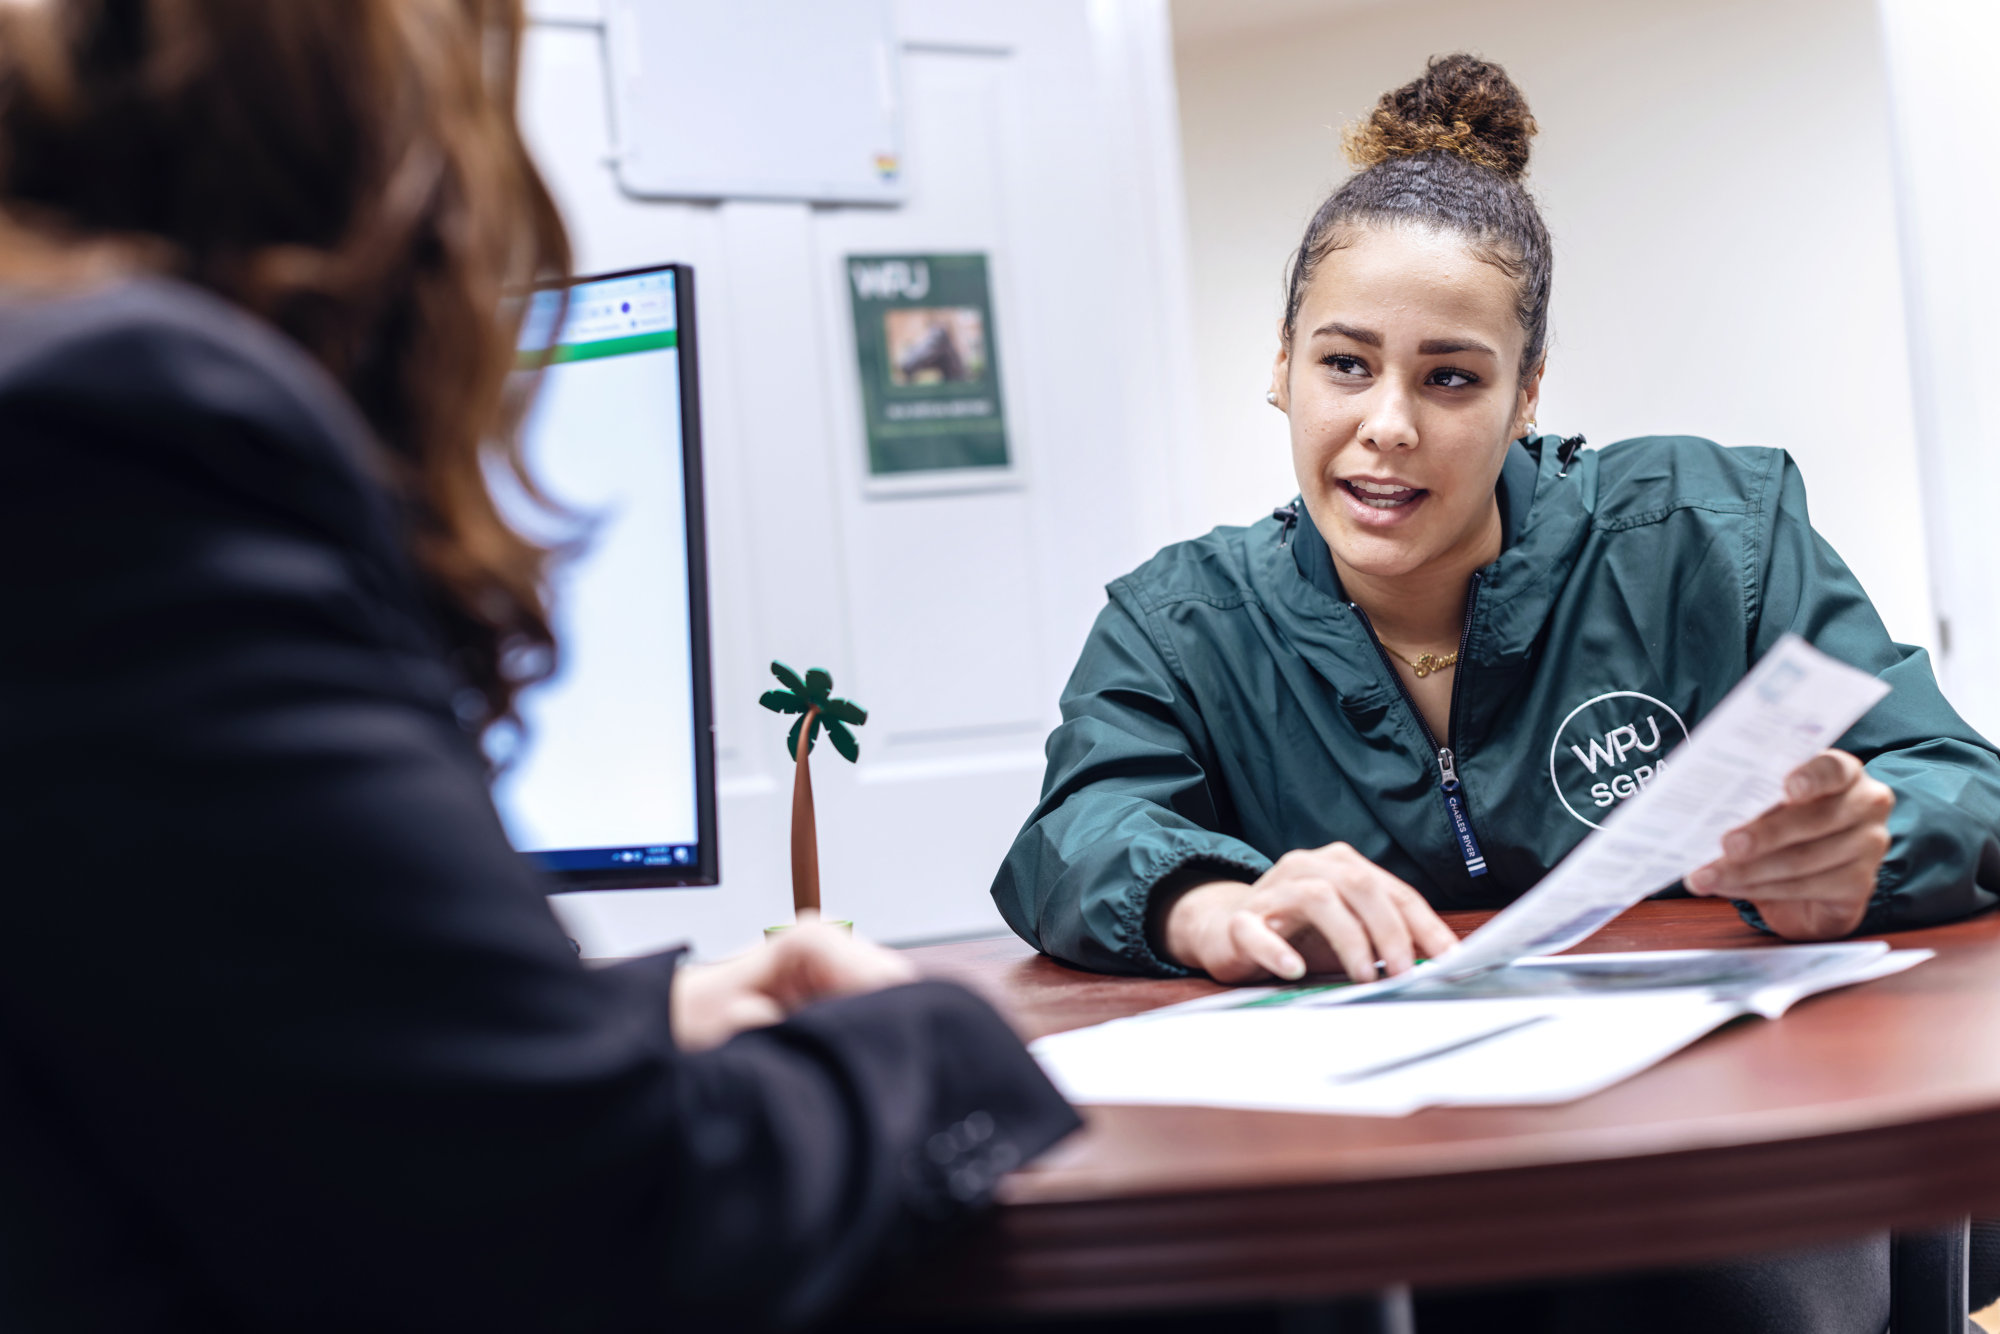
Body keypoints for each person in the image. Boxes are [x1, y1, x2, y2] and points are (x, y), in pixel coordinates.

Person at [0, 2, 1076, 1331]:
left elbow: (160, 1010)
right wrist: (940, 1038)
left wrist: (616, 1024)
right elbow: (603, 1230)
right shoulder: (111, 420)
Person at [992, 53, 2000, 1334]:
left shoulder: (1710, 534)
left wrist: (1872, 838)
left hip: (1704, 1177)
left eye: (1450, 377)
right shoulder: (1180, 616)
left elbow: (1959, 779)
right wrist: (1208, 899)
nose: (1387, 425)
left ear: (1526, 396)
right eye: (1344, 364)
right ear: (1280, 368)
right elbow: (1076, 830)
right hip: (1364, 1183)